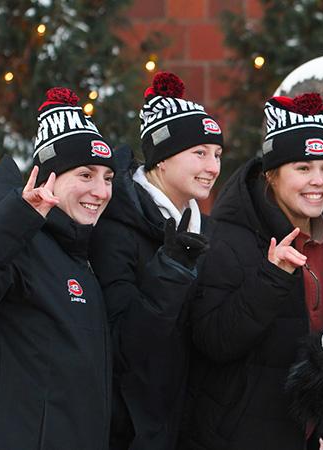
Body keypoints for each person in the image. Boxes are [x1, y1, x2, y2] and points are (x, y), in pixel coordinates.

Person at [180, 93, 323, 449]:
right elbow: (214, 340)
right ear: (272, 175)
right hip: (238, 437)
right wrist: (272, 276)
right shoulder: (226, 238)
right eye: (303, 168)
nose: (318, 180)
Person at [0, 87, 116, 450]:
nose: (101, 190)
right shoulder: (16, 242)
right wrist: (18, 215)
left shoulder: (79, 253)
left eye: (108, 178)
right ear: (48, 180)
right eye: (85, 174)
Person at [88, 71, 222, 450]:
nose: (213, 166)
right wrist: (171, 270)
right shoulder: (115, 228)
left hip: (189, 427)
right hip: (130, 433)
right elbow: (124, 347)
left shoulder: (206, 230)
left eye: (217, 155)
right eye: (199, 153)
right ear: (161, 159)